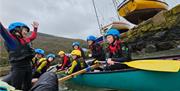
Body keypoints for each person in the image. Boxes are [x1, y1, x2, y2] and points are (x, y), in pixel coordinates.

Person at [0, 21, 39, 91]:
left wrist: (35, 28)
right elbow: (2, 30)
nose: (26, 32)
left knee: (28, 86)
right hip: (18, 69)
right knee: (16, 87)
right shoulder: (11, 40)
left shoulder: (25, 40)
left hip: (28, 66)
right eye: (25, 30)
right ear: (17, 30)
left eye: (27, 31)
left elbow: (33, 36)